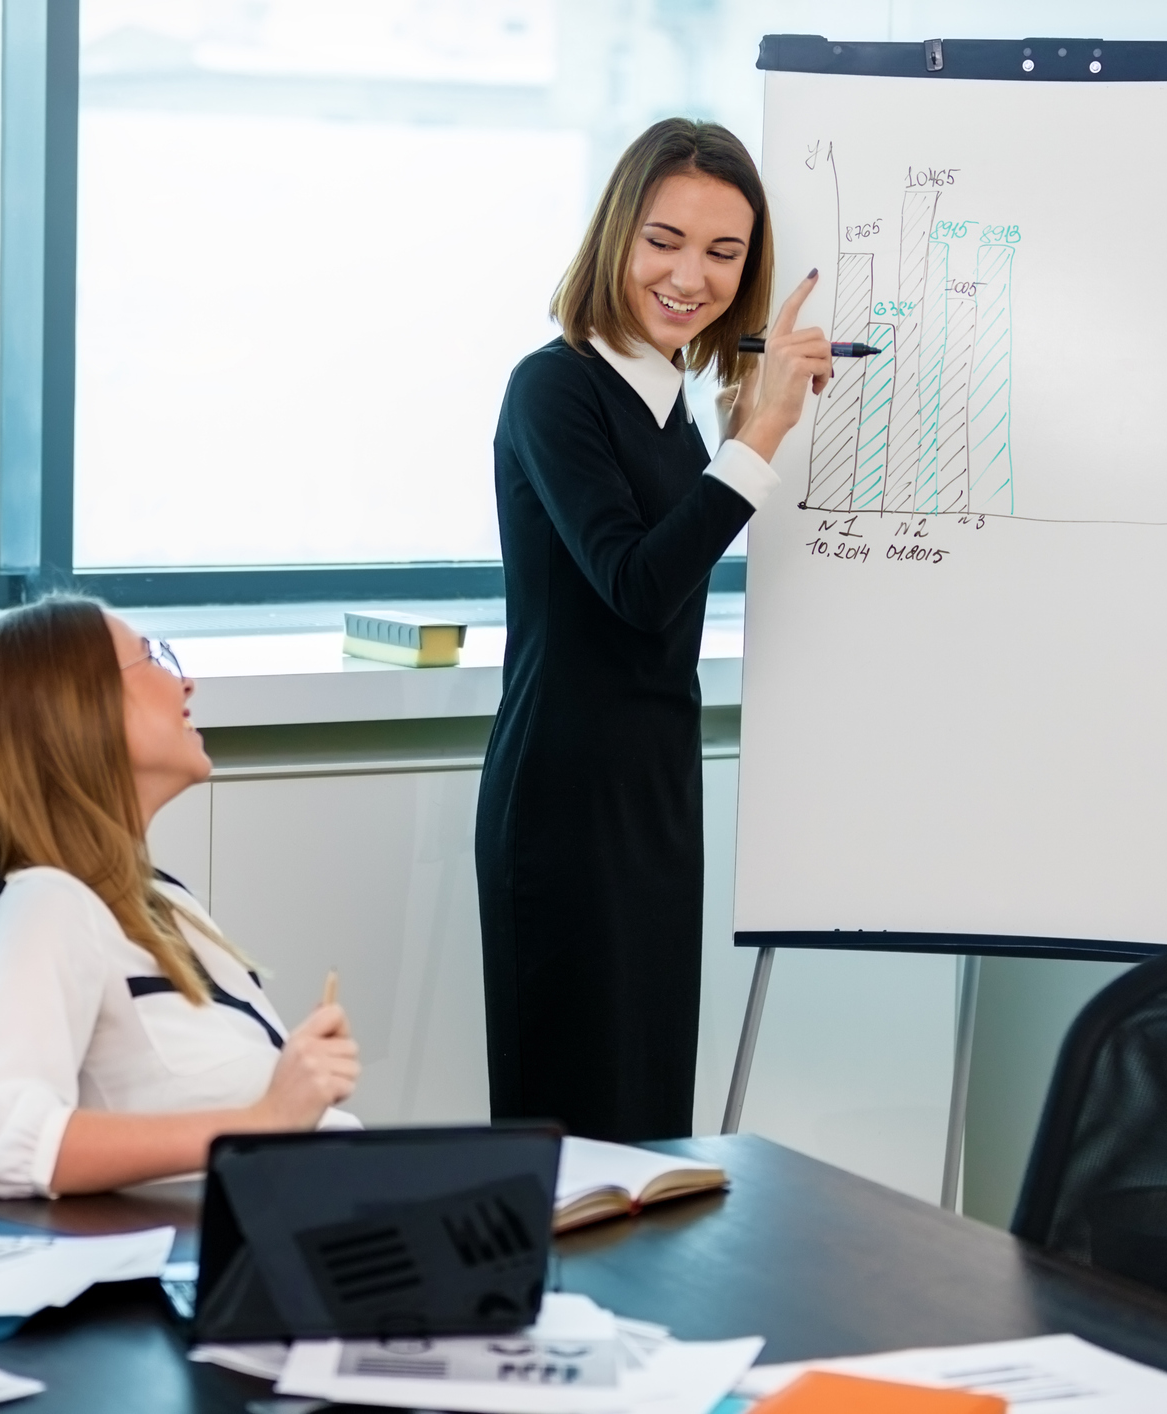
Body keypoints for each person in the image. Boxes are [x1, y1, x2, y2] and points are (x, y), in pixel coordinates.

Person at [478, 118, 832, 1141]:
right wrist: (760, 432)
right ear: (617, 238)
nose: (691, 275)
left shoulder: (673, 408)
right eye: (665, 240)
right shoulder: (556, 386)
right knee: (576, 1138)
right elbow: (636, 585)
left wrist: (732, 434)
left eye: (725, 253)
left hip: (657, 799)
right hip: (564, 802)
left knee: (647, 1132)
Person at [0, 596, 361, 1199]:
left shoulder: (171, 908)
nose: (186, 682)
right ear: (77, 712)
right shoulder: (49, 902)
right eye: (156, 658)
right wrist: (263, 1122)